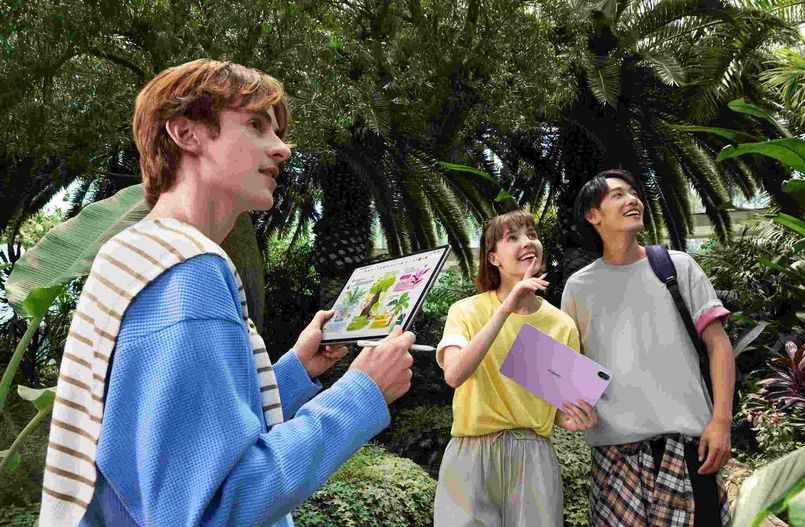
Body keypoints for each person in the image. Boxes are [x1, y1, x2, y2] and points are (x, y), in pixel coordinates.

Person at [39, 59, 416, 527]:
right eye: (256, 125)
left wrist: (296, 372)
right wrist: (364, 392)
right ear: (186, 133)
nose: (283, 149)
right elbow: (218, 507)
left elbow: (167, 441)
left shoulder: (134, 253)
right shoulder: (187, 271)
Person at [561, 169, 735, 527]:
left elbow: (719, 344)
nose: (633, 200)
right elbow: (569, 372)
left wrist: (722, 421)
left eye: (634, 193)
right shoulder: (578, 288)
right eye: (618, 195)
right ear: (593, 215)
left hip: (689, 451)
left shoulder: (676, 267)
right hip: (614, 462)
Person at [433, 209, 599, 527]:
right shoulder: (465, 311)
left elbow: (558, 410)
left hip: (533, 456)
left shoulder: (561, 324)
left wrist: (576, 418)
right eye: (513, 238)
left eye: (532, 235)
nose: (528, 242)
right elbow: (454, 374)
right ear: (493, 258)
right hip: (470, 455)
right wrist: (505, 309)